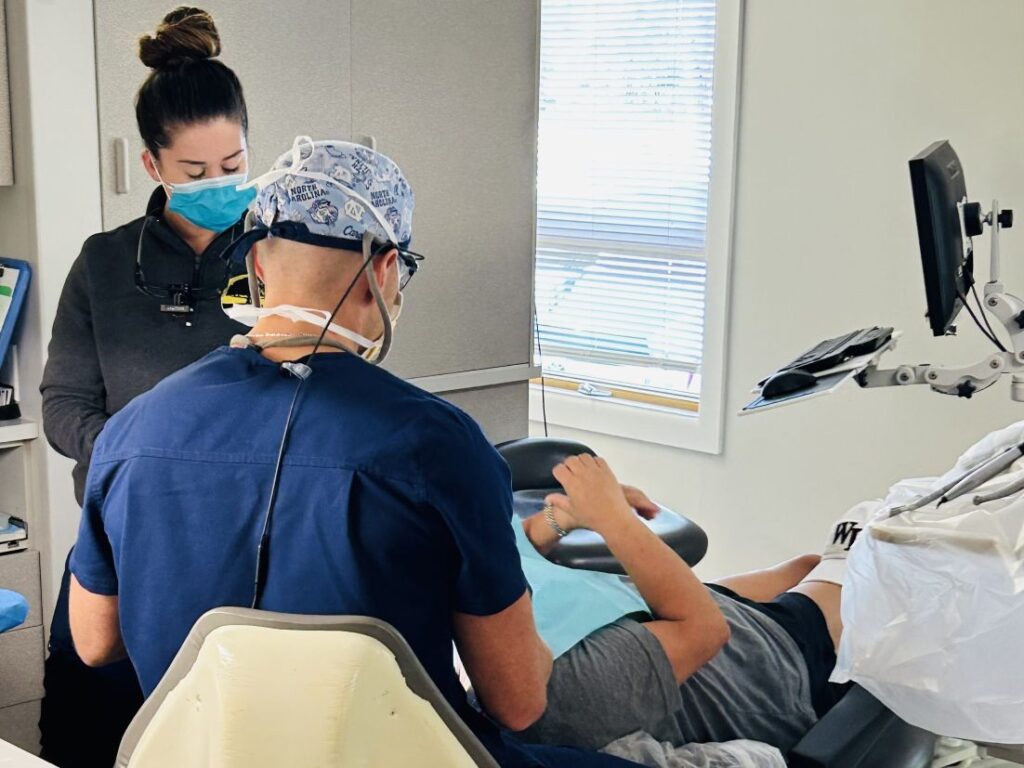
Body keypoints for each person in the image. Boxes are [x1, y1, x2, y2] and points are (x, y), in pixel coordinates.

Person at [65, 138, 642, 768]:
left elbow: (94, 641)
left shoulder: (132, 431)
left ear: (257, 260)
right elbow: (521, 701)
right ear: (385, 269)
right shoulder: (439, 444)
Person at [38, 8, 255, 765]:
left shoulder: (280, 259)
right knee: (85, 727)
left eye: (233, 165)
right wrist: (139, 454)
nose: (220, 185)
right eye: (196, 173)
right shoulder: (103, 264)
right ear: (152, 166)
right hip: (120, 540)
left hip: (247, 546)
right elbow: (63, 406)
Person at [511, 454, 857, 757]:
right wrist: (613, 520)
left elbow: (512, 549)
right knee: (861, 572)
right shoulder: (565, 687)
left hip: (653, 612)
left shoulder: (478, 575)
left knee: (807, 565)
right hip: (767, 667)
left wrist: (564, 518)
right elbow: (705, 631)